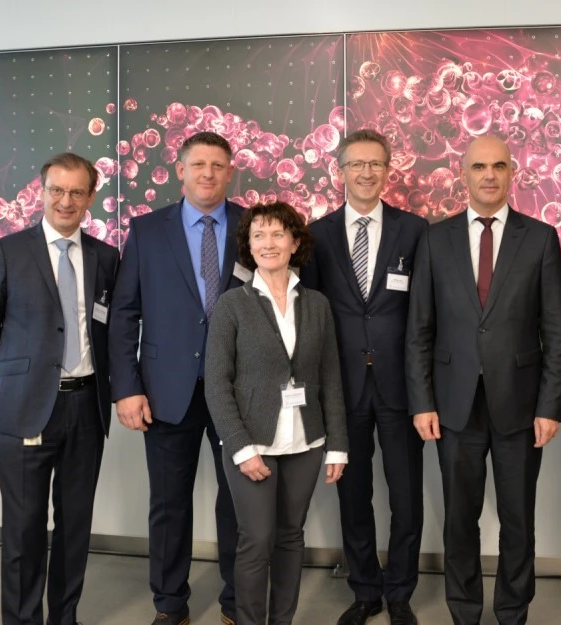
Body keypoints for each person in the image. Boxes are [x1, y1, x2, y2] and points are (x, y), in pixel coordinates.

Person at [406, 135, 561, 625]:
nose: (489, 175)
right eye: (479, 166)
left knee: (518, 520)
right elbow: (419, 331)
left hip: (520, 405)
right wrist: (421, 402)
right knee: (460, 519)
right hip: (453, 406)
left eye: (499, 165)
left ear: (512, 171)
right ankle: (464, 612)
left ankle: (513, 612)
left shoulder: (540, 238)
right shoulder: (435, 239)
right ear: (463, 173)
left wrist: (550, 405)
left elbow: (556, 333)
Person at [0, 153, 119, 625]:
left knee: (75, 528)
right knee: (24, 531)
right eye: (57, 190)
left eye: (77, 192)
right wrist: (22, 382)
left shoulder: (106, 257)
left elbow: (110, 328)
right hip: (26, 412)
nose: (66, 201)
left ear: (91, 196)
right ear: (42, 190)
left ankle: (64, 618)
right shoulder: (8, 251)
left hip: (86, 409)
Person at [109, 131, 244, 625]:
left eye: (218, 165)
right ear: (180, 170)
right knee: (169, 504)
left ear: (231, 173)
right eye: (199, 164)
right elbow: (124, 314)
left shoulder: (255, 227)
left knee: (238, 503)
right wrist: (126, 387)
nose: (208, 173)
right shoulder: (147, 231)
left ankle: (237, 603)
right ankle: (170, 606)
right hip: (167, 390)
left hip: (238, 390)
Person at [300, 129, 427, 625]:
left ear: (388, 170)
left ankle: (400, 592)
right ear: (341, 171)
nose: (367, 173)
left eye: (376, 164)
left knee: (406, 496)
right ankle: (365, 590)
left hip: (401, 386)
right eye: (357, 164)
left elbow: (425, 312)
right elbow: (309, 314)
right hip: (341, 388)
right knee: (353, 496)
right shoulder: (318, 234)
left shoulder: (415, 231)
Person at [204, 201, 348, 625]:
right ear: (248, 246)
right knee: (256, 539)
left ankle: (281, 620)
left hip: (307, 441)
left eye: (278, 234)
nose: (269, 243)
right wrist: (240, 447)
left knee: (290, 538)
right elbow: (217, 383)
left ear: (295, 242)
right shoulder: (232, 304)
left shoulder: (317, 304)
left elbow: (331, 379)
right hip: (253, 442)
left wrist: (338, 446)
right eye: (258, 235)